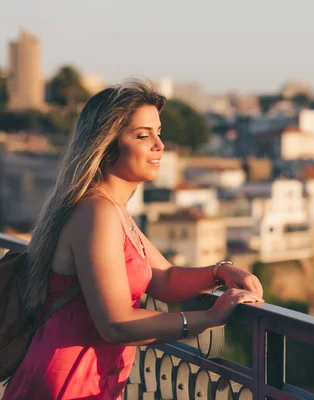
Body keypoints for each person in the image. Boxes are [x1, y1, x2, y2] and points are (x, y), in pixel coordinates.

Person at [2, 80, 264, 400]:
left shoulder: (112, 211)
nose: (159, 145)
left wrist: (219, 272)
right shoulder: (95, 212)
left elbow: (165, 278)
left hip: (89, 382)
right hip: (65, 384)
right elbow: (115, 323)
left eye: (158, 132)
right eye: (143, 135)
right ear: (106, 144)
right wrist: (207, 318)